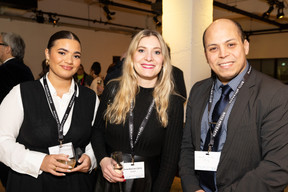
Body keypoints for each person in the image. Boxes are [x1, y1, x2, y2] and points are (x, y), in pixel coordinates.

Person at [179, 18, 288, 192]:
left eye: (230, 45)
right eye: (213, 48)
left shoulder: (275, 94)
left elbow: (277, 166)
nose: (223, 54)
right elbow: (186, 148)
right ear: (206, 54)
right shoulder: (198, 90)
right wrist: (192, 188)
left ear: (245, 46)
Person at [0, 30, 99, 192]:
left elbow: (97, 139)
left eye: (76, 55)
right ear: (47, 54)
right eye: (62, 52)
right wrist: (39, 161)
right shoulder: (22, 93)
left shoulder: (90, 98)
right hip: (31, 183)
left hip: (77, 183)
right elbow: (2, 140)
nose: (69, 60)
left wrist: (91, 159)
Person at [91, 29, 185, 192]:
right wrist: (102, 160)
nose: (149, 57)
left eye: (156, 52)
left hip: (149, 184)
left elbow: (170, 162)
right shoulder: (113, 89)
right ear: (132, 56)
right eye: (141, 50)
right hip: (110, 181)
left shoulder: (173, 102)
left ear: (163, 60)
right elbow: (97, 131)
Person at [0, 32, 34, 188]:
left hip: (7, 136)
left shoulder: (4, 71)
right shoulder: (27, 70)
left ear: (8, 49)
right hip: (26, 136)